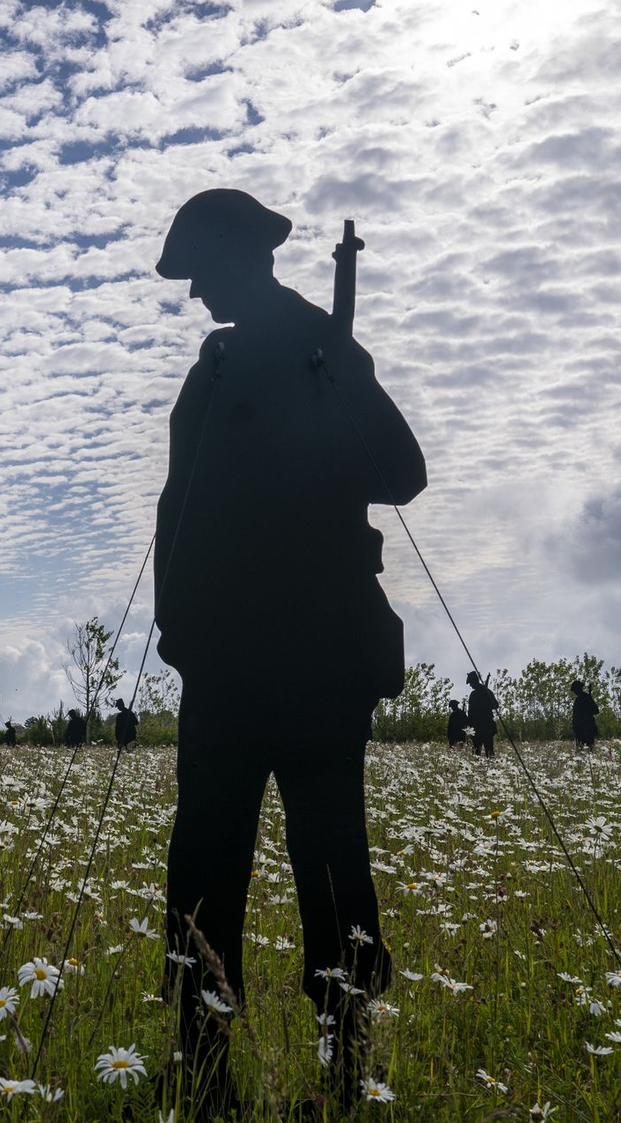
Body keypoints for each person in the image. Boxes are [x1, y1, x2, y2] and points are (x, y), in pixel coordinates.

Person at [152, 189, 426, 1113]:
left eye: (202, 274)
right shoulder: (219, 363)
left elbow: (401, 474)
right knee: (204, 870)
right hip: (230, 663)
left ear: (245, 259)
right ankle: (201, 1066)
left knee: (330, 867)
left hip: (312, 661)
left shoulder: (320, 346)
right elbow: (176, 506)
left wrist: (339, 377)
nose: (195, 296)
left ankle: (343, 1070)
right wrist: (181, 633)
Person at [466, 672, 499, 756]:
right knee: (476, 752)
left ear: (475, 681)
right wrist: (469, 727)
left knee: (489, 751)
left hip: (486, 725)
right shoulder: (473, 695)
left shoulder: (487, 692)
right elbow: (470, 712)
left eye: (471, 683)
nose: (470, 685)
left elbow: (495, 705)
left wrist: (485, 702)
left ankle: (491, 767)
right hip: (476, 727)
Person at [570, 679, 600, 750]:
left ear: (579, 688)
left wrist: (588, 710)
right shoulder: (578, 699)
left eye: (575, 689)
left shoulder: (587, 698)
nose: (574, 691)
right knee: (580, 751)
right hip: (579, 729)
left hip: (588, 728)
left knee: (588, 751)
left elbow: (596, 711)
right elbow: (575, 716)